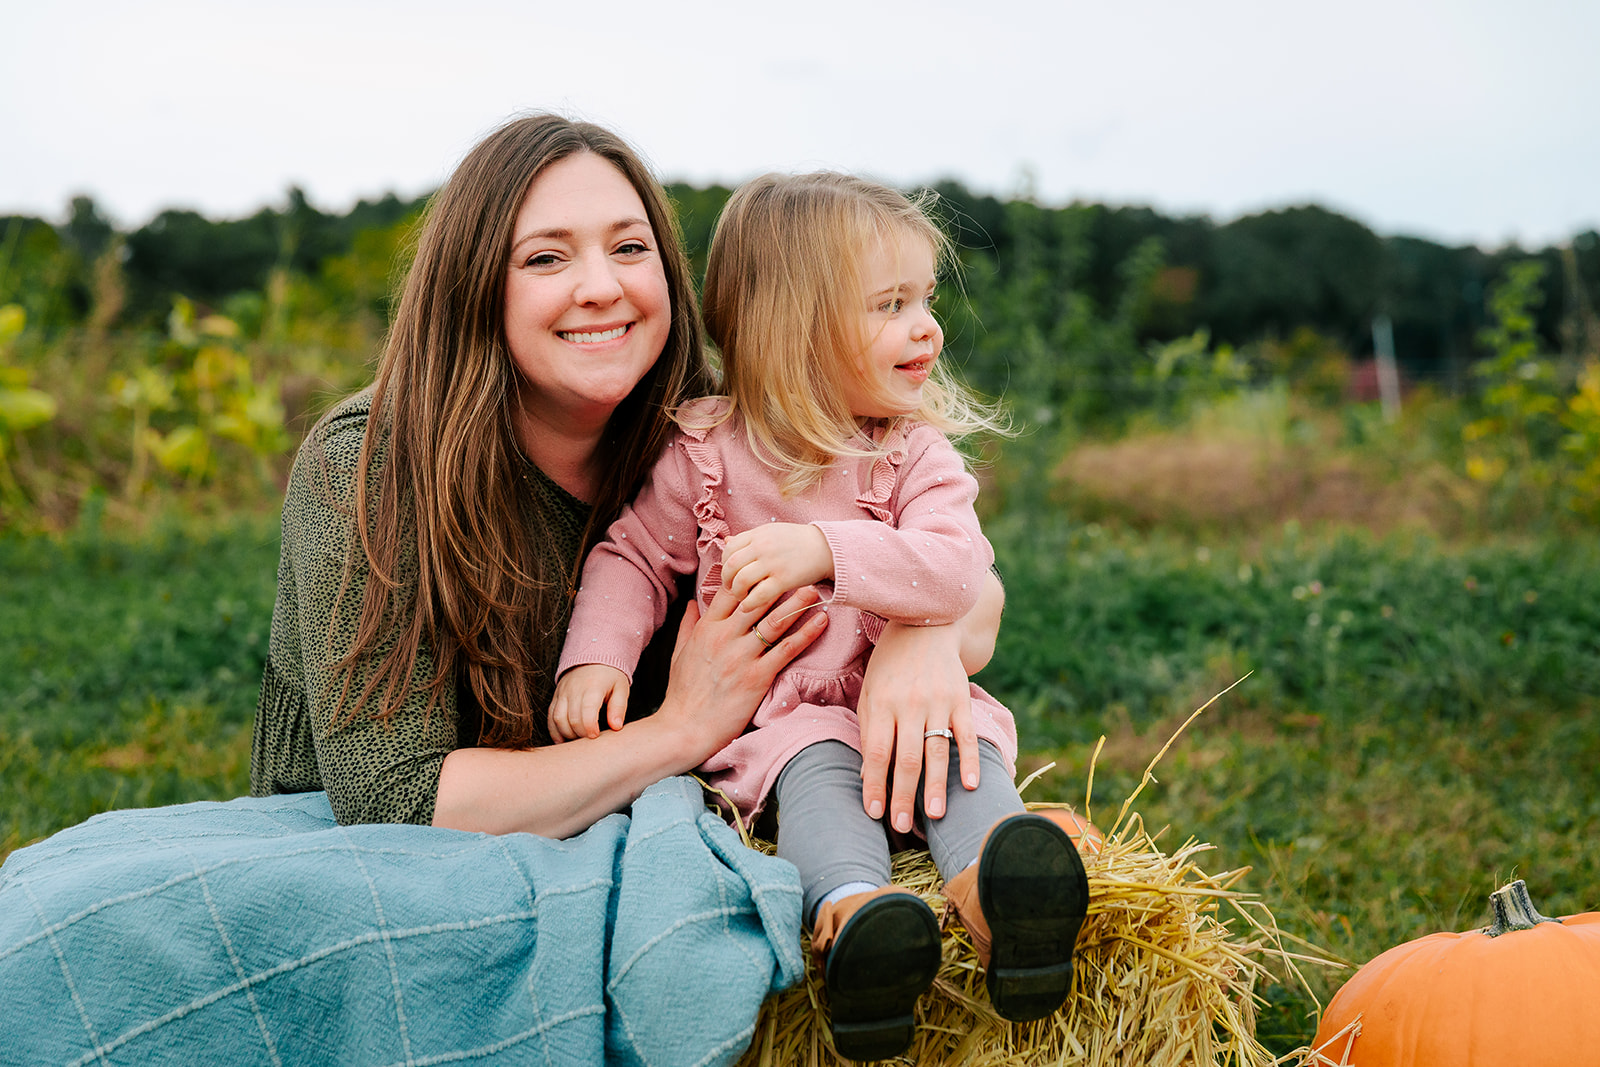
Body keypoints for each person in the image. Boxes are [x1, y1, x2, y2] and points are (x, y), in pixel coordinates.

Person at [249, 115, 999, 847]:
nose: (602, 286)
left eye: (630, 248)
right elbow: (398, 800)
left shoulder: (702, 432)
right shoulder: (371, 462)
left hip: (619, 820)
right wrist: (680, 730)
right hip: (368, 861)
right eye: (547, 259)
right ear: (476, 286)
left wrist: (920, 635)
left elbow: (970, 574)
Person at [548, 172, 1090, 1060]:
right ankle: (857, 921)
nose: (928, 327)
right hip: (793, 723)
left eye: (924, 299)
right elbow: (633, 557)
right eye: (891, 304)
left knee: (962, 760)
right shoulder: (706, 453)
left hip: (914, 704)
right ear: (794, 329)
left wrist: (829, 551)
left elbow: (958, 567)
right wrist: (595, 659)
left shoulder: (914, 452)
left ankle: (1004, 904)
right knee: (817, 783)